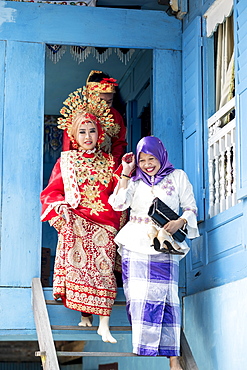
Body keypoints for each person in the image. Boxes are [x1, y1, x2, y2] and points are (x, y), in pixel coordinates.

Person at [40, 91, 126, 344]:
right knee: (79, 269)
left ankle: (103, 324)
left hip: (105, 226)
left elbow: (119, 194)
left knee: (103, 272)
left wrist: (126, 174)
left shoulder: (111, 163)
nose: (88, 137)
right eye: (82, 132)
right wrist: (60, 208)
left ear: (100, 134)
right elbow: (52, 193)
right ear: (74, 136)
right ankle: (84, 312)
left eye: (92, 131)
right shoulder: (65, 163)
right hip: (77, 222)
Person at [108, 136, 199, 369]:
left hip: (165, 243)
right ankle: (144, 346)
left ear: (161, 156)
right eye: (143, 160)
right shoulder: (134, 179)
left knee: (168, 298)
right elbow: (118, 204)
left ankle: (173, 358)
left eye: (152, 159)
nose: (148, 164)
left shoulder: (178, 177)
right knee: (137, 297)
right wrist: (126, 173)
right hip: (135, 243)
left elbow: (190, 207)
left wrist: (180, 222)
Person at [62, 70, 127, 167]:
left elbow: (119, 144)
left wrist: (112, 164)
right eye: (100, 101)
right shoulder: (76, 117)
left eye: (109, 102)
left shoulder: (115, 116)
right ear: (89, 96)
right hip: (81, 167)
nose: (104, 106)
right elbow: (68, 148)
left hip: (107, 168)